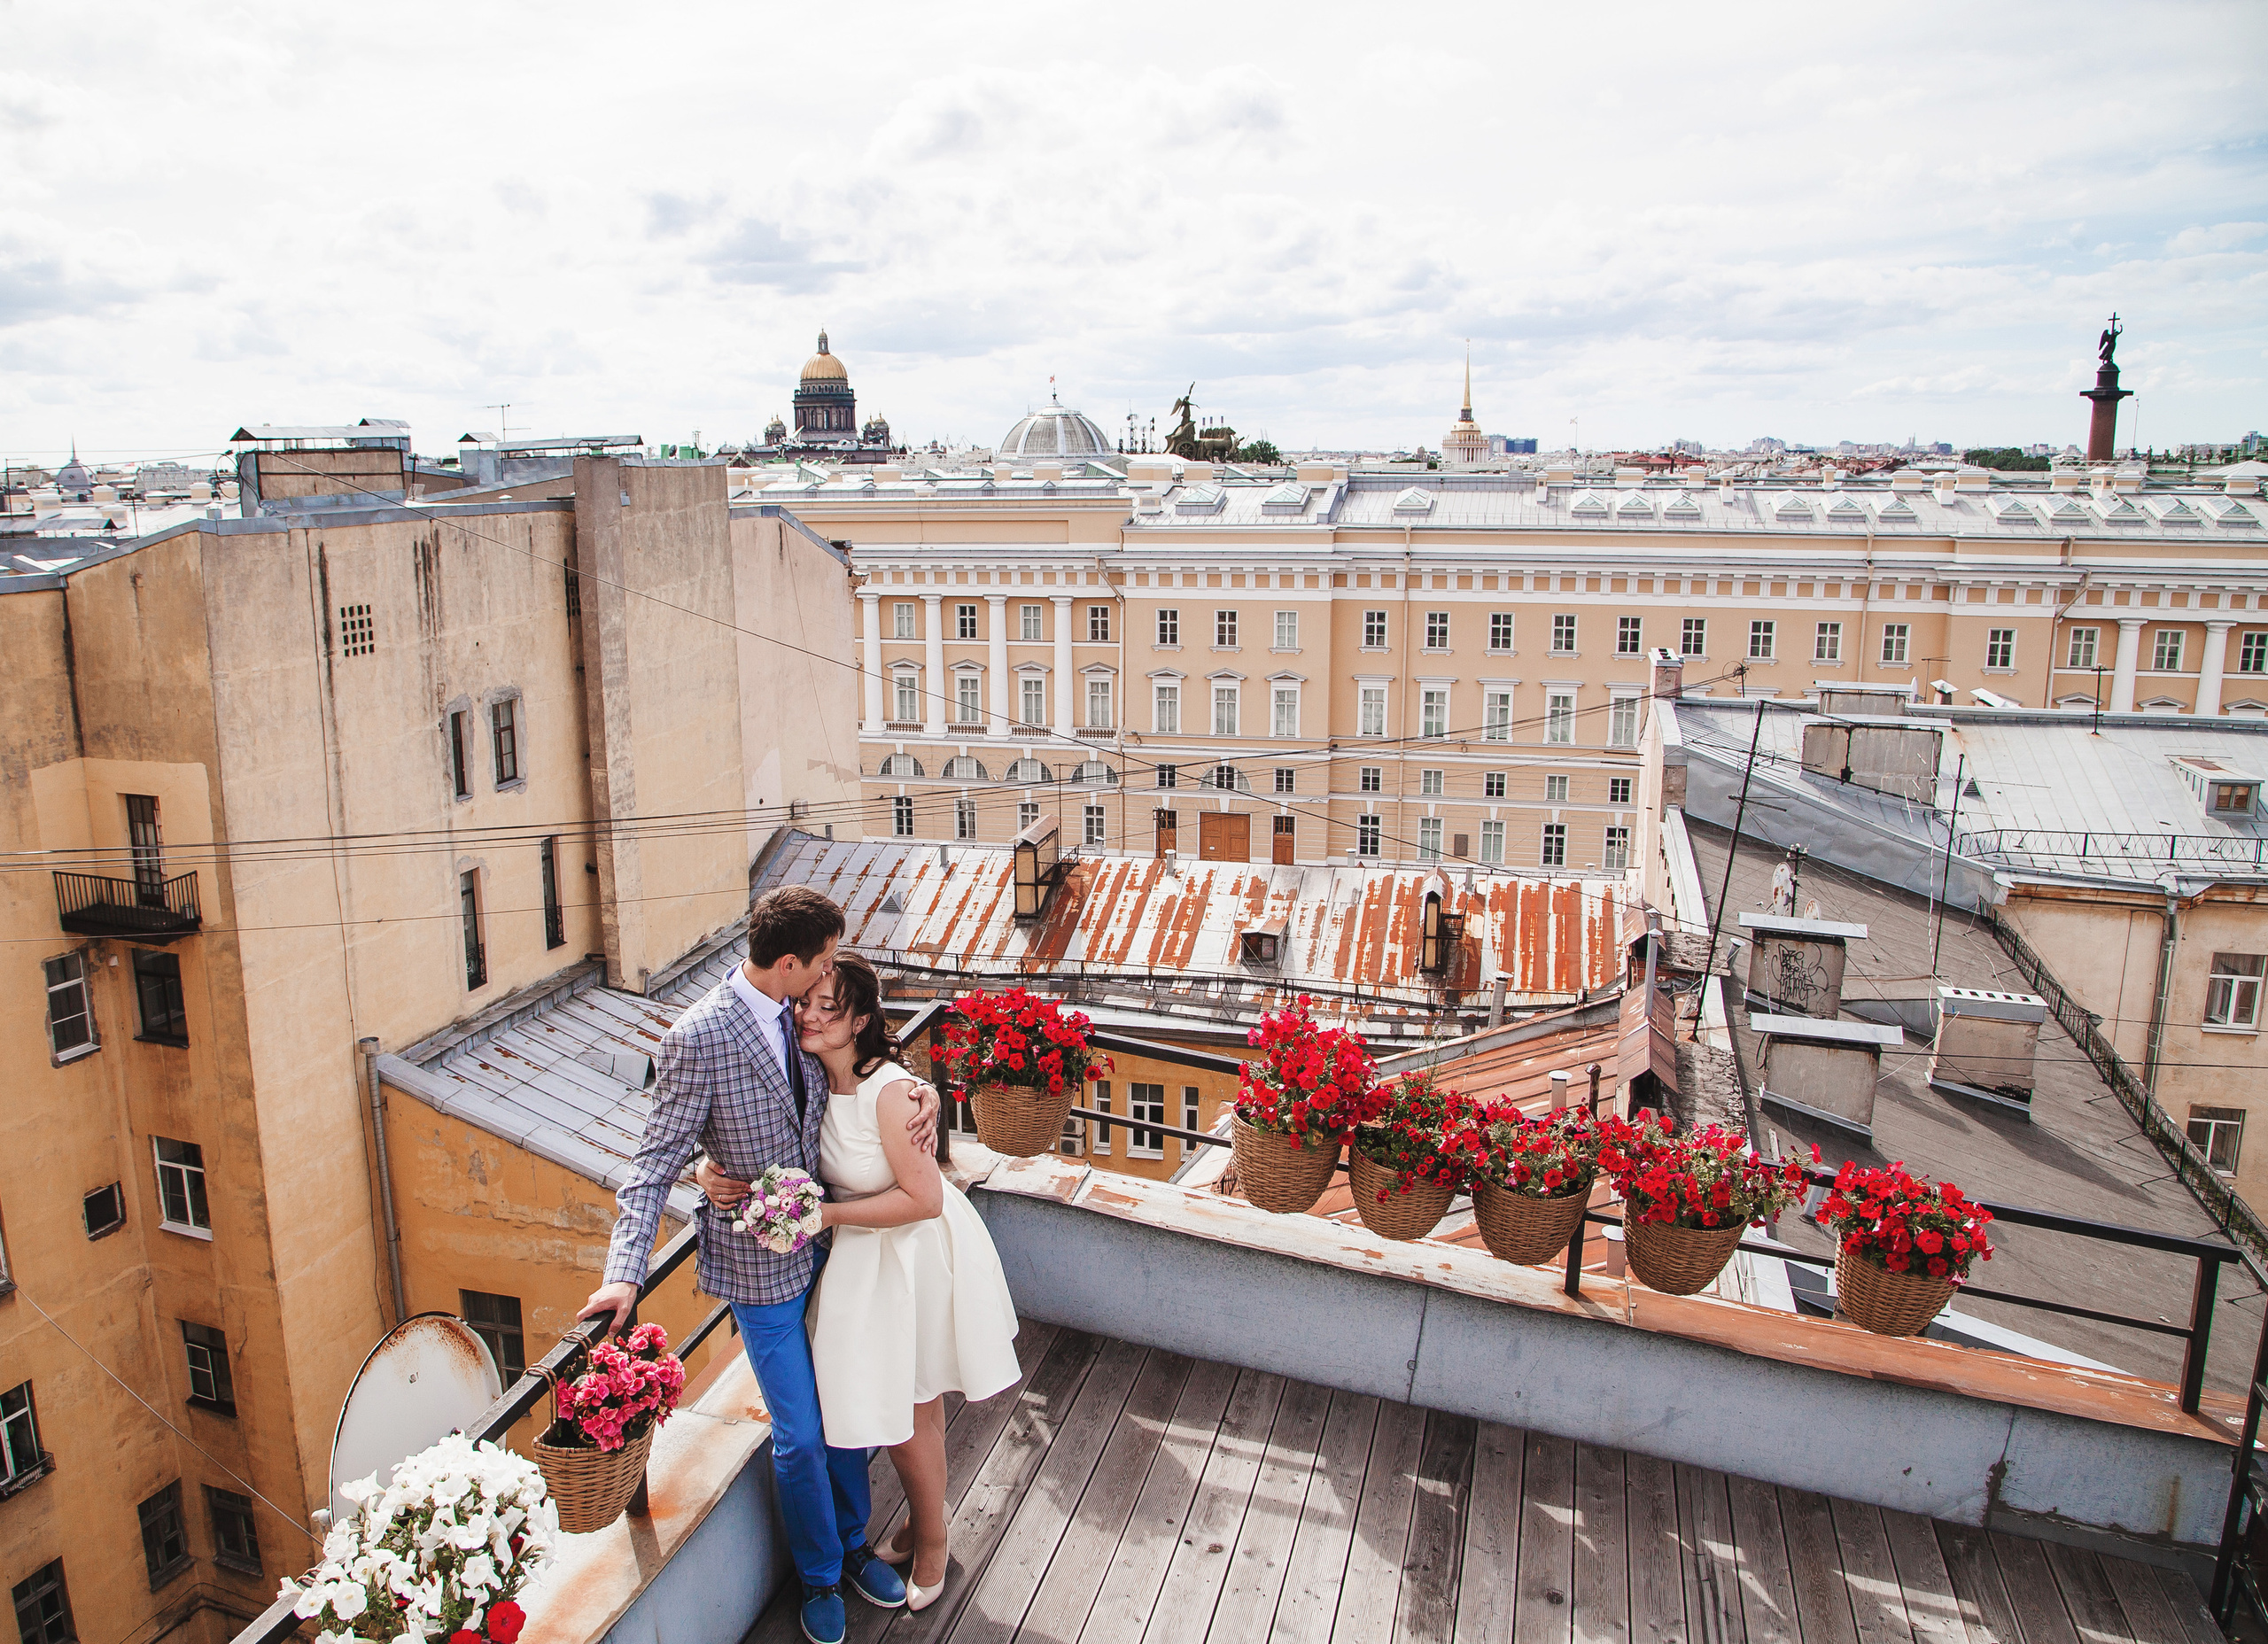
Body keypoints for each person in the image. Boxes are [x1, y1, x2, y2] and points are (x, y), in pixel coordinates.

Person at [576, 887, 936, 1644]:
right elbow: (650, 1165)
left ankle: (850, 1544)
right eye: (827, 960)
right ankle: (816, 1577)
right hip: (757, 1270)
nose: (831, 975)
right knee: (801, 1434)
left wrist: (921, 1092)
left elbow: (858, 1074)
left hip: (834, 1256)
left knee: (845, 1419)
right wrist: (625, 1273)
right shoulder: (696, 1038)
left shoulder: (805, 1017)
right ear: (789, 963)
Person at [697, 957, 1019, 1612]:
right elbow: (750, 1123)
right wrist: (707, 1169)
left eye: (829, 1009)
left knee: (908, 1415)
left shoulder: (890, 1091)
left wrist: (827, 1214)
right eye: (806, 1003)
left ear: (862, 1021)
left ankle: (932, 1542)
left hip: (909, 1257)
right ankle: (917, 1525)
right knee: (904, 1412)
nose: (809, 1016)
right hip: (862, 1263)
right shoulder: (810, 1074)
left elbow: (925, 1199)